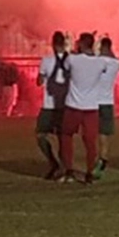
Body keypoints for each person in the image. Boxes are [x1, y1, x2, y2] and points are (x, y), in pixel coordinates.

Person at [59, 33, 107, 183]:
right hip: (91, 107)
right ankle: (90, 173)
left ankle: (69, 170)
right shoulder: (100, 62)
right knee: (90, 142)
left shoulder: (73, 59)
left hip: (73, 105)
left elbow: (65, 65)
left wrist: (71, 47)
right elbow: (101, 64)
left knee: (66, 136)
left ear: (80, 44)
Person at [35, 31, 69, 179]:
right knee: (63, 137)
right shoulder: (72, 60)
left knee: (41, 135)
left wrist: (42, 77)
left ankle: (54, 163)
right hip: (66, 104)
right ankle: (63, 167)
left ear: (53, 44)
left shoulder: (47, 61)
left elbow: (39, 82)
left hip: (49, 106)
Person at [95, 36, 119, 179]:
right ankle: (103, 157)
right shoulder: (116, 63)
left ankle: (99, 159)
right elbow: (114, 59)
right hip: (108, 102)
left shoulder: (97, 61)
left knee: (94, 133)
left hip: (94, 102)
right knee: (104, 133)